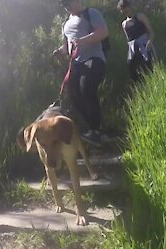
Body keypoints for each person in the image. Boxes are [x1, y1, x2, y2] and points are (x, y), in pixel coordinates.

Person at [52, 0, 109, 147]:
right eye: (64, 4)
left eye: (68, 2)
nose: (67, 6)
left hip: (94, 59)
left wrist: (83, 40)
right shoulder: (65, 24)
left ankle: (96, 131)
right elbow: (67, 47)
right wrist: (60, 52)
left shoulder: (91, 14)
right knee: (73, 95)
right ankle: (95, 128)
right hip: (76, 64)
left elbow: (103, 32)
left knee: (86, 88)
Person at [117, 0, 155, 82]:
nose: (124, 11)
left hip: (145, 46)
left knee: (149, 68)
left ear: (129, 7)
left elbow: (151, 32)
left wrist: (149, 42)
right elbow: (128, 39)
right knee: (132, 70)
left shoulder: (140, 16)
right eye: (122, 10)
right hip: (133, 49)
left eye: (125, 8)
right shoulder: (124, 24)